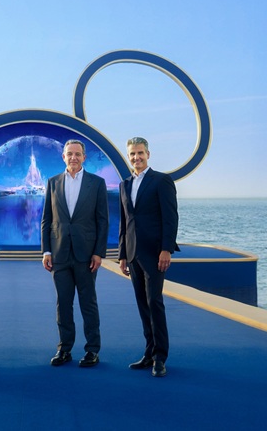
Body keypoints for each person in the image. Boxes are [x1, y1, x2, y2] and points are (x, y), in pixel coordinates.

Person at [41, 139, 109, 368]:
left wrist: (98, 252)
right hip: (59, 254)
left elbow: (102, 221)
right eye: (69, 154)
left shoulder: (97, 183)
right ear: (63, 157)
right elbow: (46, 220)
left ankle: (92, 350)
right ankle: (64, 349)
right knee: (63, 304)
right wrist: (46, 250)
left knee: (88, 304)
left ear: (84, 157)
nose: (73, 158)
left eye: (78, 154)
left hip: (86, 255)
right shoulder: (52, 182)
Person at [117, 137, 180, 377]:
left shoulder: (161, 181)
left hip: (155, 253)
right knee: (143, 305)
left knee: (155, 302)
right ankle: (149, 352)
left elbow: (170, 218)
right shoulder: (124, 184)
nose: (137, 157)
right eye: (132, 154)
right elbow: (125, 222)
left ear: (148, 154)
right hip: (133, 253)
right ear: (128, 157)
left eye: (140, 153)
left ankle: (160, 357)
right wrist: (122, 254)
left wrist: (166, 249)